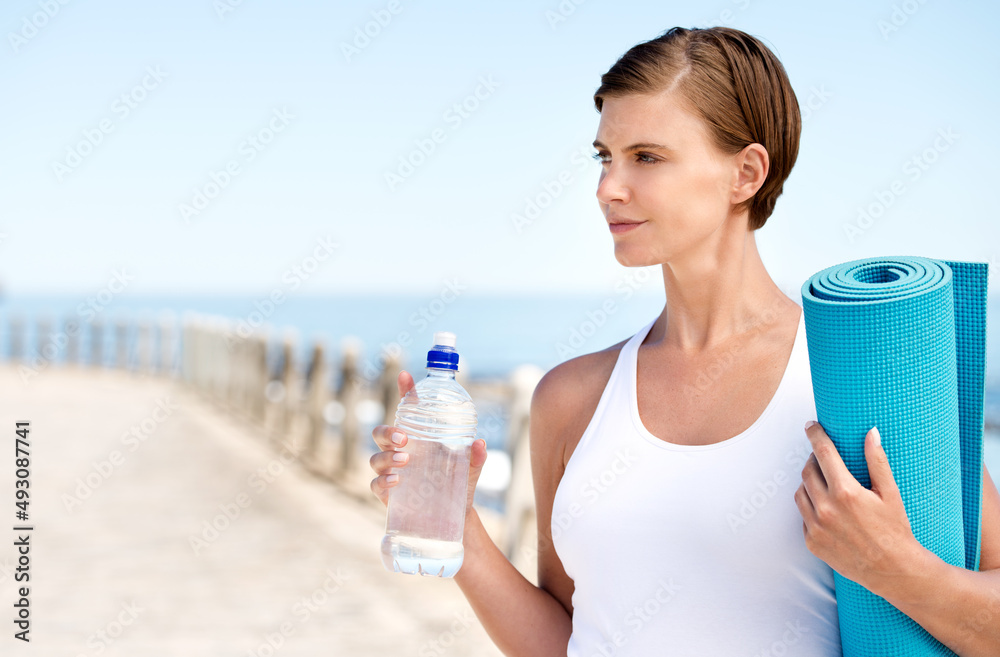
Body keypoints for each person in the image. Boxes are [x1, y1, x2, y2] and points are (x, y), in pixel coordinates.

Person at [369, 26, 1000, 656]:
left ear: (746, 173)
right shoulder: (572, 399)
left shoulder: (853, 382)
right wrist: (460, 531)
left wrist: (900, 570)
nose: (607, 188)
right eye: (604, 157)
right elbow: (567, 638)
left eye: (646, 157)